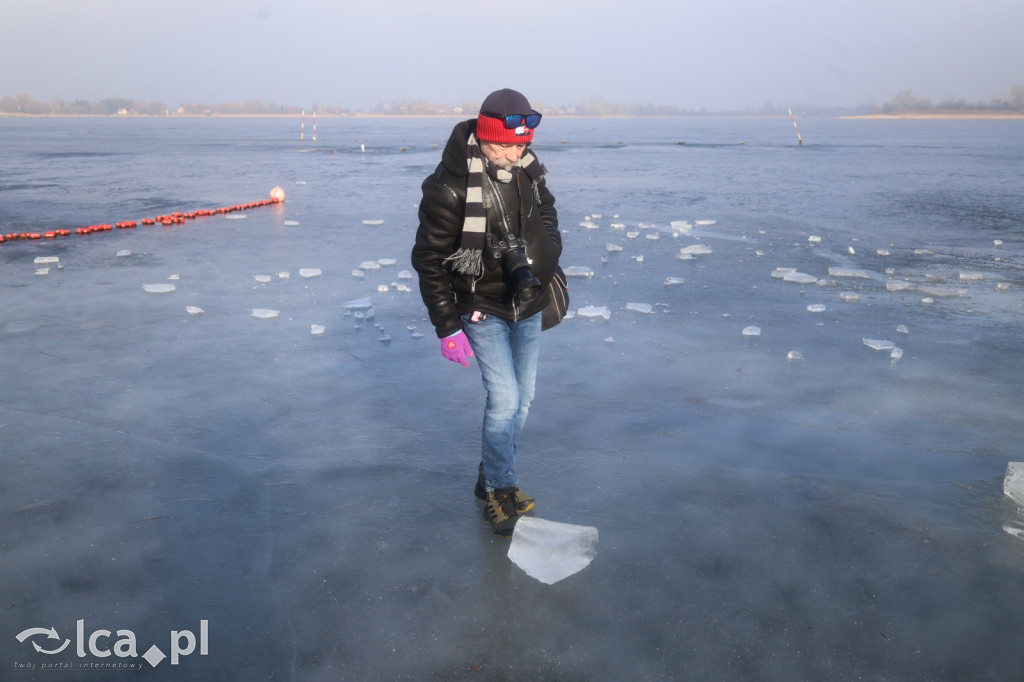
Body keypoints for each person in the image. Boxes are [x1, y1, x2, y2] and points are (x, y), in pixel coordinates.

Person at [411, 88, 562, 536]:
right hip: (482, 309)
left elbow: (548, 212)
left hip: (528, 303)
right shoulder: (448, 188)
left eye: (523, 145)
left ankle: (491, 470)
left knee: (525, 398)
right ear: (486, 135)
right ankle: (500, 490)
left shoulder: (527, 171)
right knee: (505, 401)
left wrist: (548, 250)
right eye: (508, 145)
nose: (518, 153)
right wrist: (446, 327)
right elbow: (429, 259)